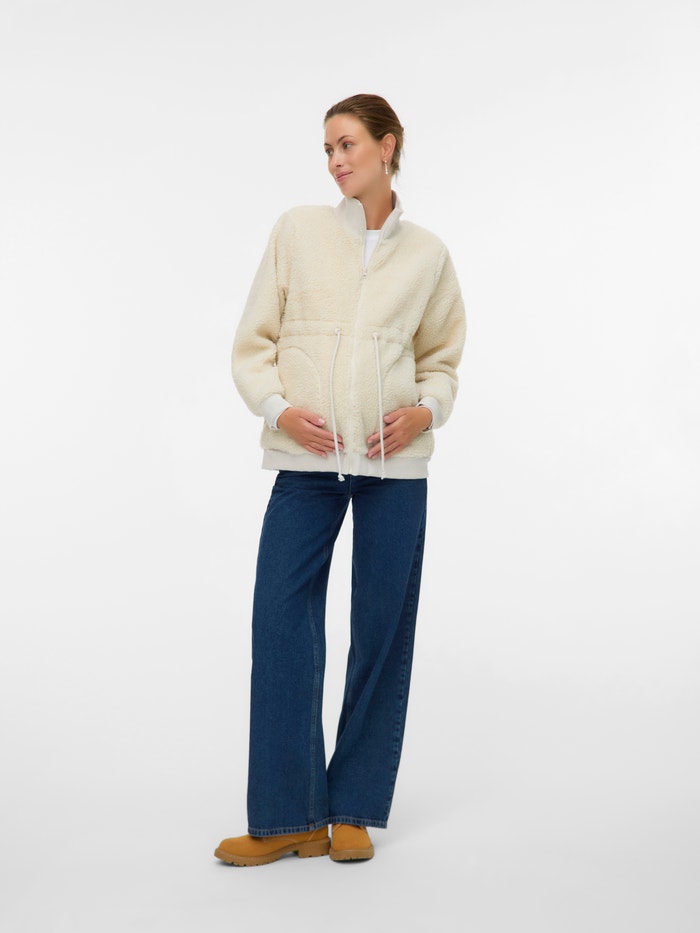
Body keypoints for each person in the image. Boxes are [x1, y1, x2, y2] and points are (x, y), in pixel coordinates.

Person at [215, 93, 466, 867]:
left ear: (388, 146)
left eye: (348, 143)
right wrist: (279, 410)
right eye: (327, 147)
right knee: (281, 621)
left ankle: (352, 807)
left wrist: (425, 411)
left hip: (395, 466)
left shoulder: (428, 255)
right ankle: (290, 815)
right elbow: (252, 342)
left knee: (381, 629)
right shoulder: (297, 231)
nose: (334, 160)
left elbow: (443, 359)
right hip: (307, 463)